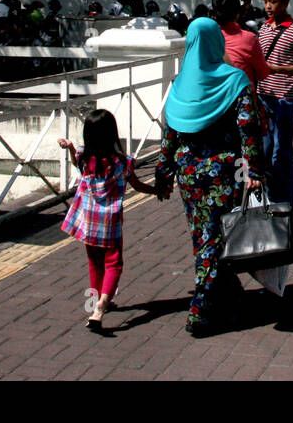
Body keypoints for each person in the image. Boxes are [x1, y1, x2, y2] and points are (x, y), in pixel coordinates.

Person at [156, 18, 265, 337]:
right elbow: (248, 129)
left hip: (189, 177)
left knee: (205, 237)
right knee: (214, 239)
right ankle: (199, 310)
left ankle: (228, 297)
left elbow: (170, 135)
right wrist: (254, 171)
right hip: (224, 175)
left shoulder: (179, 86)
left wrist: (163, 174)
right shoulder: (234, 80)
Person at [59, 109, 160, 332]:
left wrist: (70, 147)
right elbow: (138, 186)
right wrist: (156, 190)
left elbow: (76, 161)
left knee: (94, 262)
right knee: (113, 262)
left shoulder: (85, 160)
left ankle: (96, 300)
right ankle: (102, 306)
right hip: (110, 223)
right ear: (112, 134)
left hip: (88, 222)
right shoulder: (123, 163)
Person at [256, 0, 293, 206]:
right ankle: (269, 199)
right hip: (263, 97)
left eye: (273, 1)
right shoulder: (263, 28)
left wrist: (278, 69)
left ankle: (287, 202)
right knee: (264, 150)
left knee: (282, 151)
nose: (268, 6)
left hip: (285, 98)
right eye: (266, 1)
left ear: (286, 2)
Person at [210, 0, 272, 88]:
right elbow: (263, 74)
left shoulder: (205, 39)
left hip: (212, 102)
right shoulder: (249, 39)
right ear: (236, 11)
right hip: (239, 101)